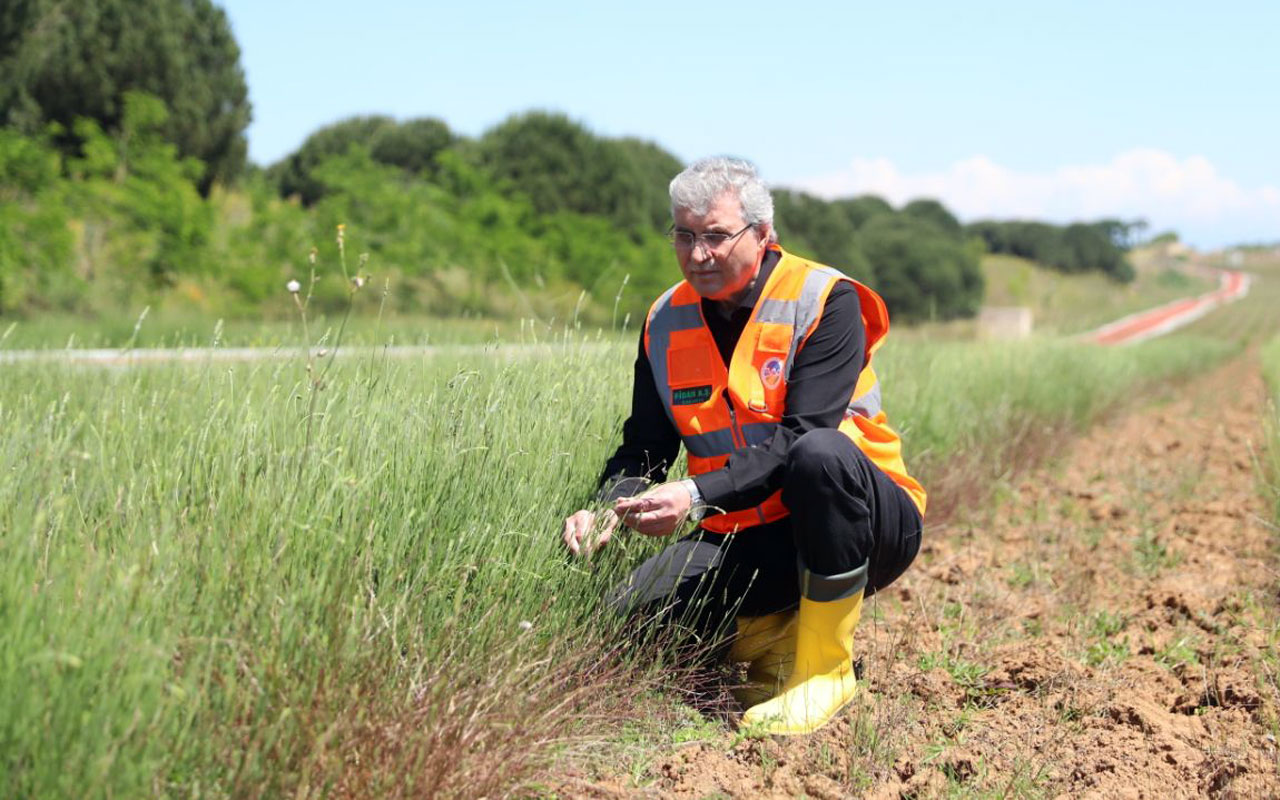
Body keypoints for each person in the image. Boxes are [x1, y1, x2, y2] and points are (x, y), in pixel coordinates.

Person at [560, 156, 926, 736]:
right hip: (744, 530)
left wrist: (694, 494)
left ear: (762, 235)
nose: (697, 254)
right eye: (684, 235)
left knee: (820, 455)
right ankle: (775, 634)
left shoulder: (825, 299)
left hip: (861, 518)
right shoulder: (663, 319)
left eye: (715, 237)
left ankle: (824, 669)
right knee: (623, 624)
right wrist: (613, 503)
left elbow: (805, 434)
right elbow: (645, 448)